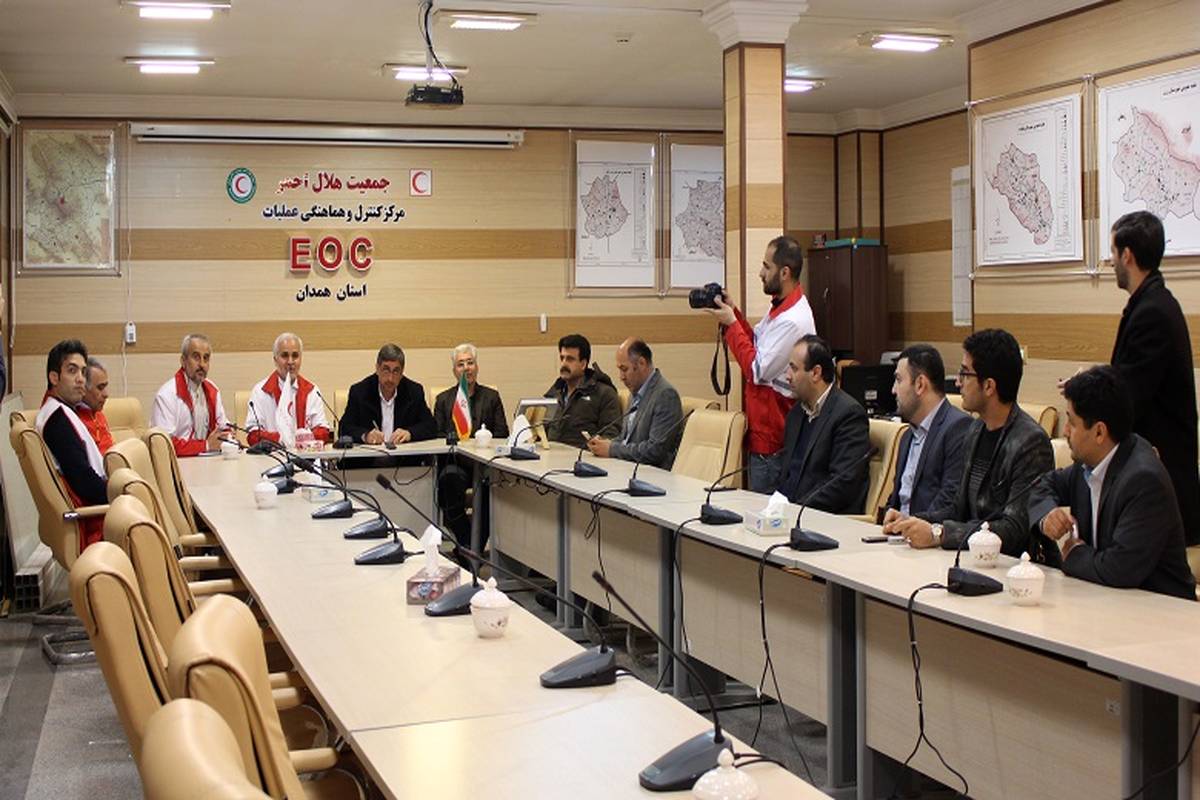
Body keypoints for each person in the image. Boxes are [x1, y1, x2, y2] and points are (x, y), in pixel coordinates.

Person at [886, 329, 1056, 562]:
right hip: (974, 559)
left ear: (989, 386)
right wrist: (912, 522)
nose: (958, 382)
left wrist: (940, 534)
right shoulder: (976, 430)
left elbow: (1014, 529)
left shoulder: (1031, 443)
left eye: (965, 374)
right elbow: (958, 509)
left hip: (1014, 567)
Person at [1030, 366, 1195, 600]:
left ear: (1099, 432)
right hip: (1103, 600)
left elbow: (1119, 568)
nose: (1065, 431)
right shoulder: (1088, 463)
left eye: (1072, 423)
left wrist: (1073, 552)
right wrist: (1047, 515)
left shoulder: (1144, 480)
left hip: (1160, 610)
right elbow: (1040, 485)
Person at [1106, 211, 1200, 545]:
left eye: (1113, 252)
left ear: (1127, 256)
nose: (1110, 261)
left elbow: (1130, 394)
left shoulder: (1153, 312)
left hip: (1161, 479)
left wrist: (1093, 391)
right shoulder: (1149, 303)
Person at [704, 236, 816, 493]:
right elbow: (757, 343)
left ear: (784, 272)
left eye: (767, 267)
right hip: (763, 432)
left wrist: (732, 325)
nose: (760, 273)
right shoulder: (781, 306)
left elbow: (756, 369)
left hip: (773, 439)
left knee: (764, 511)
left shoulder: (793, 320)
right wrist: (734, 313)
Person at [776, 334, 870, 512]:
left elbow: (843, 483)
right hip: (787, 513)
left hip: (822, 517)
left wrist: (796, 509)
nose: (787, 376)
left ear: (816, 373)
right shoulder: (796, 414)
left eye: (794, 369)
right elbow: (785, 474)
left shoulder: (848, 415)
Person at [882, 344, 970, 524]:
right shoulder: (907, 436)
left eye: (898, 380)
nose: (893, 390)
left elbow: (950, 502)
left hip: (929, 536)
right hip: (897, 535)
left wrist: (909, 523)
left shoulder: (958, 428)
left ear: (920, 384)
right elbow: (898, 499)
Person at [35, 340, 106, 547]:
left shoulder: (60, 410)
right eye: (72, 371)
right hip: (96, 522)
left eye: (83, 372)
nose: (80, 379)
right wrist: (119, 494)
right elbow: (84, 481)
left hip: (98, 512)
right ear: (54, 377)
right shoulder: (57, 420)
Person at [587, 338, 684, 469]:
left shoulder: (665, 395)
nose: (621, 377)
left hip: (651, 474)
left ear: (642, 363)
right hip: (627, 468)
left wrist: (612, 449)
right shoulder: (635, 392)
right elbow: (626, 439)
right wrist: (605, 444)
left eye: (624, 369)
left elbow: (655, 450)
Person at [151, 333, 231, 456]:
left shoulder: (212, 390)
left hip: (208, 461)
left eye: (206, 358)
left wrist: (228, 435)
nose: (202, 364)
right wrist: (206, 446)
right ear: (183, 361)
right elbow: (164, 445)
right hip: (179, 464)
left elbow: (223, 426)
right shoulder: (167, 395)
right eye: (196, 357)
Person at [246, 332, 332, 447]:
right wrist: (281, 439)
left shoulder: (312, 391)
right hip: (273, 455)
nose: (290, 362)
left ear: (301, 359)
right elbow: (253, 435)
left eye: (295, 356)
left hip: (306, 456)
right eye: (285, 356)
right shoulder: (260, 392)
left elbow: (323, 431)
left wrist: (303, 438)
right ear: (275, 359)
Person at [340, 343, 436, 445]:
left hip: (403, 453)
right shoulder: (360, 392)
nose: (390, 378)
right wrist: (366, 436)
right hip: (371, 453)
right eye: (386, 370)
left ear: (402, 372)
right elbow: (344, 428)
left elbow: (431, 426)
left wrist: (409, 433)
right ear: (377, 369)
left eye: (395, 371)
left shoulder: (414, 392)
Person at [542, 333, 621, 448]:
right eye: (562, 358)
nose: (564, 364)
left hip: (583, 455)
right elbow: (541, 429)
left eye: (570, 359)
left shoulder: (604, 393)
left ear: (583, 364)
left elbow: (612, 435)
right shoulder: (554, 392)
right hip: (550, 454)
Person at [432, 343, 509, 441]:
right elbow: (438, 436)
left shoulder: (492, 397)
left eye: (470, 363)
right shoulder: (443, 400)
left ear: (477, 368)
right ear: (454, 371)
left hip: (484, 449)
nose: (466, 368)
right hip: (454, 450)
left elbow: (502, 434)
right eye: (460, 365)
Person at [76, 356, 114, 453]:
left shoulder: (99, 414)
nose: (106, 394)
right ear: (83, 388)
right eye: (100, 388)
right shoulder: (75, 421)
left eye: (105, 387)